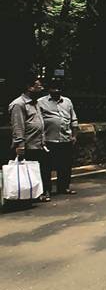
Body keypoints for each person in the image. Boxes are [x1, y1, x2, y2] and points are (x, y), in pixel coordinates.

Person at [8, 74, 50, 202]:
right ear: (29, 87)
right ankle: (24, 196)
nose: (41, 88)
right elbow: (18, 126)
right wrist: (20, 145)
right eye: (38, 86)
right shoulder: (18, 104)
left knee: (38, 170)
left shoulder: (35, 103)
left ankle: (37, 194)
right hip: (28, 145)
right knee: (26, 171)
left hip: (39, 144)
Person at [39, 79, 79, 195]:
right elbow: (38, 121)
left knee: (65, 165)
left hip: (65, 138)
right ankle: (46, 189)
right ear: (49, 90)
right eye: (53, 88)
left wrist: (74, 136)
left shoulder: (67, 101)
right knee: (46, 166)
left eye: (58, 89)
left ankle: (64, 187)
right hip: (49, 139)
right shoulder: (41, 102)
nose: (56, 91)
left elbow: (73, 120)